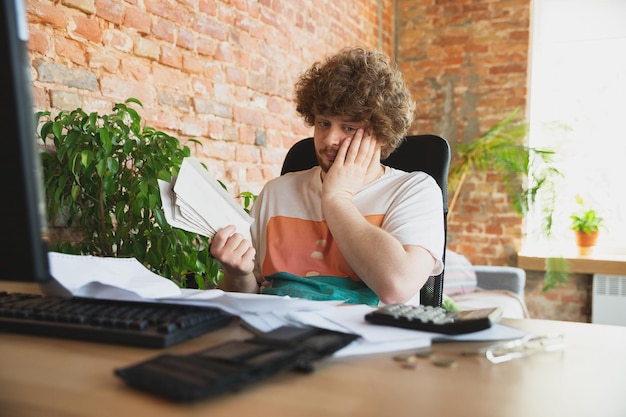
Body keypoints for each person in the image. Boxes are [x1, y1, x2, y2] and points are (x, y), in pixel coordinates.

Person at [210, 47, 444, 306]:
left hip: (366, 342)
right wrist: (237, 273)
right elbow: (245, 299)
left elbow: (396, 287)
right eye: (323, 123)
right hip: (278, 336)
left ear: (381, 133)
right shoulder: (276, 192)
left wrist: (337, 198)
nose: (330, 139)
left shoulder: (414, 190)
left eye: (349, 127)